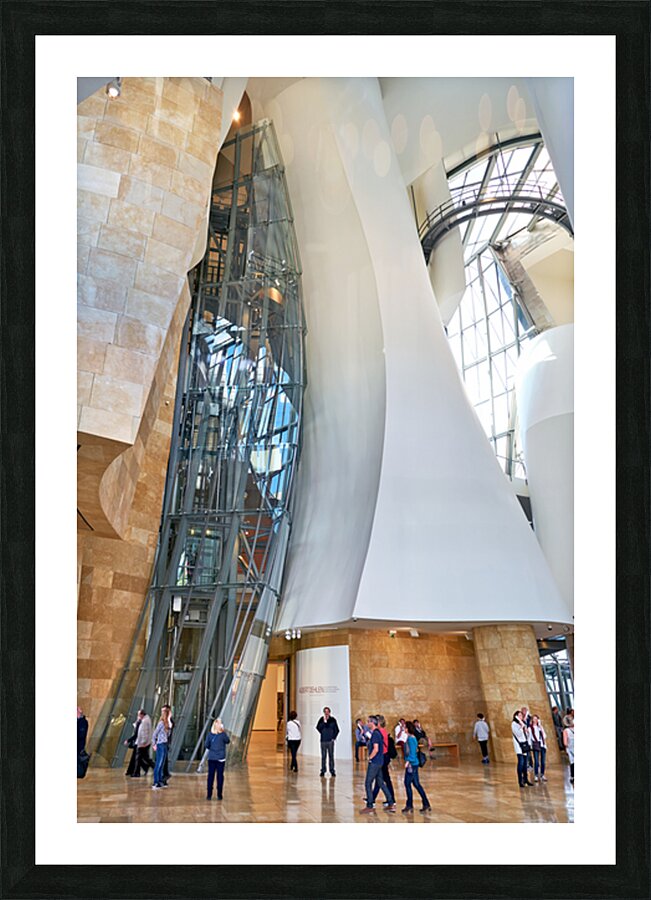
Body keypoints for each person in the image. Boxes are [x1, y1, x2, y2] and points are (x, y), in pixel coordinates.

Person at [359, 716, 396, 814]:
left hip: (375, 762)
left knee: (368, 783)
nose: (367, 723)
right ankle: (391, 803)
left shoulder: (375, 734)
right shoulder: (377, 733)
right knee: (380, 783)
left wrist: (369, 758)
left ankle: (370, 805)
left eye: (368, 722)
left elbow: (376, 749)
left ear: (372, 723)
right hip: (380, 762)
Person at [402, 721, 431, 814]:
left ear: (408, 728)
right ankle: (426, 804)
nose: (403, 728)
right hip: (413, 764)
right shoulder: (411, 738)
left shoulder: (411, 739)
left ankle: (409, 805)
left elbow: (412, 753)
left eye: (405, 727)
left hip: (412, 764)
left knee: (407, 784)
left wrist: (408, 762)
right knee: (416, 784)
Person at [371, 714, 396, 808]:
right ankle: (373, 798)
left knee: (383, 779)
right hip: (384, 757)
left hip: (383, 757)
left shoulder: (380, 732)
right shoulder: (382, 731)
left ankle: (391, 800)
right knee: (381, 779)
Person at [205, 717, 230, 800]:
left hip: (211, 758)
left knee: (210, 776)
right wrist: (224, 732)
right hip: (220, 758)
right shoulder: (223, 735)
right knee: (220, 776)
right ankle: (219, 794)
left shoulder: (210, 735)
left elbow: (206, 745)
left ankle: (209, 795)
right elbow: (227, 741)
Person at [151, 707, 172, 790]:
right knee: (158, 764)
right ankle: (155, 782)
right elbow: (154, 734)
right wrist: (154, 744)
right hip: (160, 744)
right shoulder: (161, 723)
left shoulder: (167, 723)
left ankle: (160, 781)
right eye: (170, 713)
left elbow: (169, 734)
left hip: (164, 744)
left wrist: (169, 721)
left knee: (162, 764)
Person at [512, 710, 533, 788]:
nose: (521, 717)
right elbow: (518, 734)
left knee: (525, 764)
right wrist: (521, 726)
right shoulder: (514, 724)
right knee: (520, 763)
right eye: (519, 715)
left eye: (521, 715)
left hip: (525, 745)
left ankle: (526, 779)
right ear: (516, 716)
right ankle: (520, 780)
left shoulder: (522, 724)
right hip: (519, 746)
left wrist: (525, 729)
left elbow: (527, 735)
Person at [316, 707, 339, 777]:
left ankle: (332, 770)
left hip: (330, 741)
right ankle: (323, 770)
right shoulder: (321, 719)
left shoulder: (333, 720)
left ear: (329, 712)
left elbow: (337, 730)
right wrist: (324, 722)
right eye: (325, 712)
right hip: (323, 740)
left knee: (331, 756)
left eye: (327, 711)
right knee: (323, 756)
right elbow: (318, 728)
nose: (326, 713)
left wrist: (333, 737)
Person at [133, 709, 153, 777]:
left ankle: (136, 773)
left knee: (138, 758)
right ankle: (149, 767)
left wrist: (143, 742)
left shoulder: (144, 721)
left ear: (142, 714)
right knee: (144, 757)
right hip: (144, 742)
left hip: (143, 743)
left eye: (139, 715)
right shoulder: (145, 720)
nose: (138, 716)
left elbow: (144, 732)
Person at [529, 715, 548, 782]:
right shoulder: (530, 728)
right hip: (535, 745)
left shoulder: (540, 727)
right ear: (532, 720)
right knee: (536, 761)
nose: (536, 720)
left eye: (537, 719)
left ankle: (542, 774)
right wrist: (530, 746)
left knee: (543, 761)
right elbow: (530, 737)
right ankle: (536, 775)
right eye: (534, 719)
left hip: (542, 744)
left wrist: (541, 728)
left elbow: (544, 736)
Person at [124, 710, 142, 776]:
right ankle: (131, 771)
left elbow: (136, 735)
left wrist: (128, 740)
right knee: (135, 757)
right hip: (138, 742)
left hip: (139, 743)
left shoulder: (140, 723)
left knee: (136, 758)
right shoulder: (138, 723)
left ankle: (134, 772)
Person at [161, 704, 174, 784]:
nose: (162, 713)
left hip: (164, 743)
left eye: (164, 711)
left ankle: (165, 776)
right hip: (163, 743)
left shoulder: (169, 721)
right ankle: (164, 776)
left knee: (163, 761)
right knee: (163, 761)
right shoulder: (163, 721)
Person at [563, 715, 574, 784]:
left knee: (572, 762)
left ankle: (573, 776)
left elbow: (565, 742)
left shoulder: (566, 731)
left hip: (570, 748)